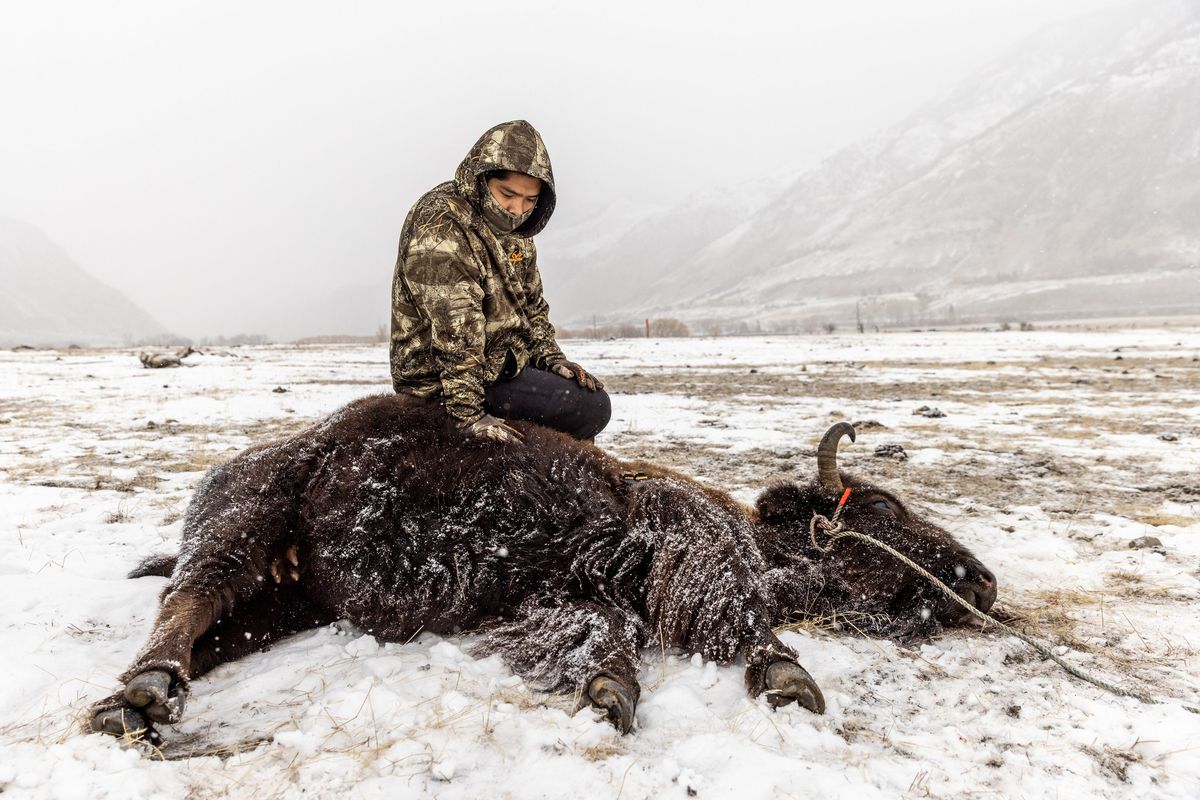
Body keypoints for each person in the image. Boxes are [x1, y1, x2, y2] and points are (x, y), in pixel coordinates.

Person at [389, 120, 610, 444]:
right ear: (482, 177)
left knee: (587, 400)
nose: (516, 209)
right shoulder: (441, 223)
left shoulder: (517, 231)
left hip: (500, 365)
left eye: (529, 201)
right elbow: (457, 332)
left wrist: (551, 359)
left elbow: (531, 305)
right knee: (589, 409)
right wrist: (468, 417)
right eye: (508, 194)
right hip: (440, 379)